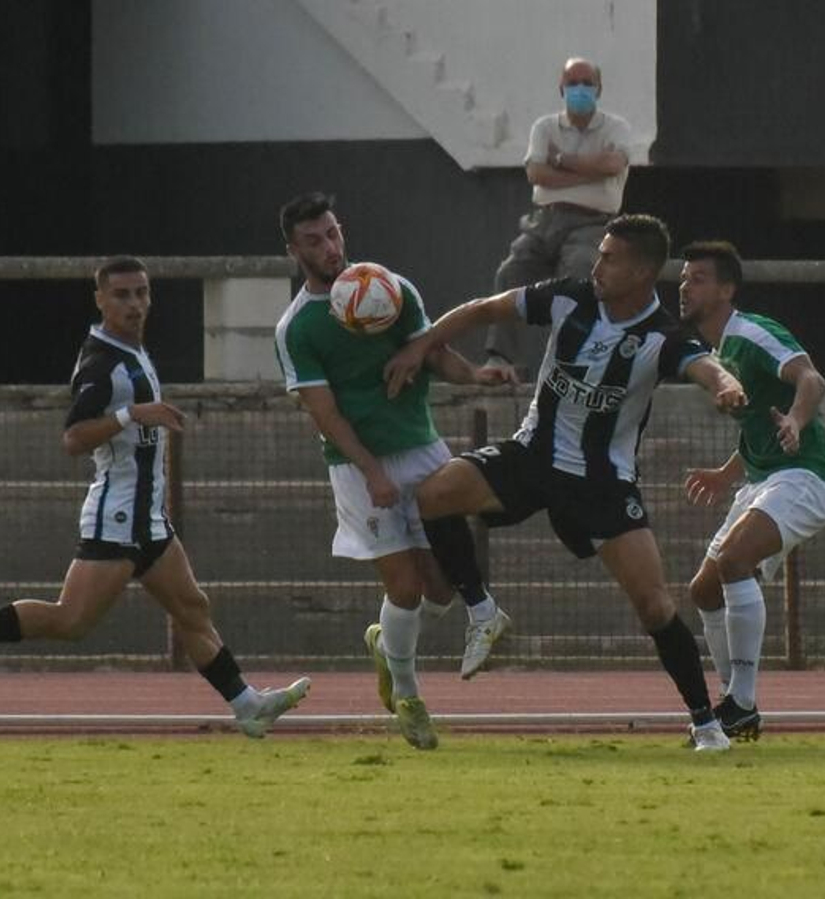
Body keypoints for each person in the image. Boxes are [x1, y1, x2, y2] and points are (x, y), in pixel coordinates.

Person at [383, 215, 747, 753]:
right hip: (533, 455)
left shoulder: (661, 337)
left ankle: (707, 724)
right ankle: (482, 611)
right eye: (598, 254)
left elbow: (707, 368)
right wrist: (420, 347)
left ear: (643, 270)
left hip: (602, 484)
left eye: (609, 258)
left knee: (654, 605)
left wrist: (728, 384)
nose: (596, 266)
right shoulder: (567, 298)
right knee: (435, 494)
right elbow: (484, 309)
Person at [0, 256, 311, 738]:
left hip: (147, 516)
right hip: (119, 514)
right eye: (123, 295)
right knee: (71, 621)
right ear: (101, 300)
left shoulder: (132, 348)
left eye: (142, 293)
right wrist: (132, 415)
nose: (135, 304)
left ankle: (246, 704)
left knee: (192, 607)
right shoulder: (102, 362)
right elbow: (73, 437)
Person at [274, 192, 515, 750]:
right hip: (359, 468)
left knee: (441, 588)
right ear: (294, 251)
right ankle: (407, 696)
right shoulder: (298, 328)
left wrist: (476, 374)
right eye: (314, 240)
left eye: (333, 234)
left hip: (422, 450)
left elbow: (432, 353)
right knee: (404, 587)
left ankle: (387, 645)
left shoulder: (392, 289)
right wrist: (371, 472)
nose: (329, 248)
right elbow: (325, 412)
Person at [677, 241, 825, 741]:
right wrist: (727, 472)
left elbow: (811, 379)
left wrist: (796, 420)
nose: (686, 287)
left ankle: (741, 704)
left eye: (699, 278)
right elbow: (756, 425)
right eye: (684, 278)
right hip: (763, 479)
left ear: (727, 289)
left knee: (733, 562)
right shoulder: (716, 352)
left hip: (810, 476)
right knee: (703, 590)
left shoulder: (752, 334)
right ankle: (735, 703)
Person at [483, 57, 636, 381]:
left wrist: (561, 161)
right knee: (510, 271)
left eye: (586, 83)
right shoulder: (544, 127)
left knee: (582, 272)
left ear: (599, 88)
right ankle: (500, 359)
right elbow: (536, 173)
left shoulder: (617, 127)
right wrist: (586, 175)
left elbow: (612, 165)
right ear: (561, 89)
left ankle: (569, 362)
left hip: (592, 223)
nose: (579, 89)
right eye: (572, 83)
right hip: (544, 221)